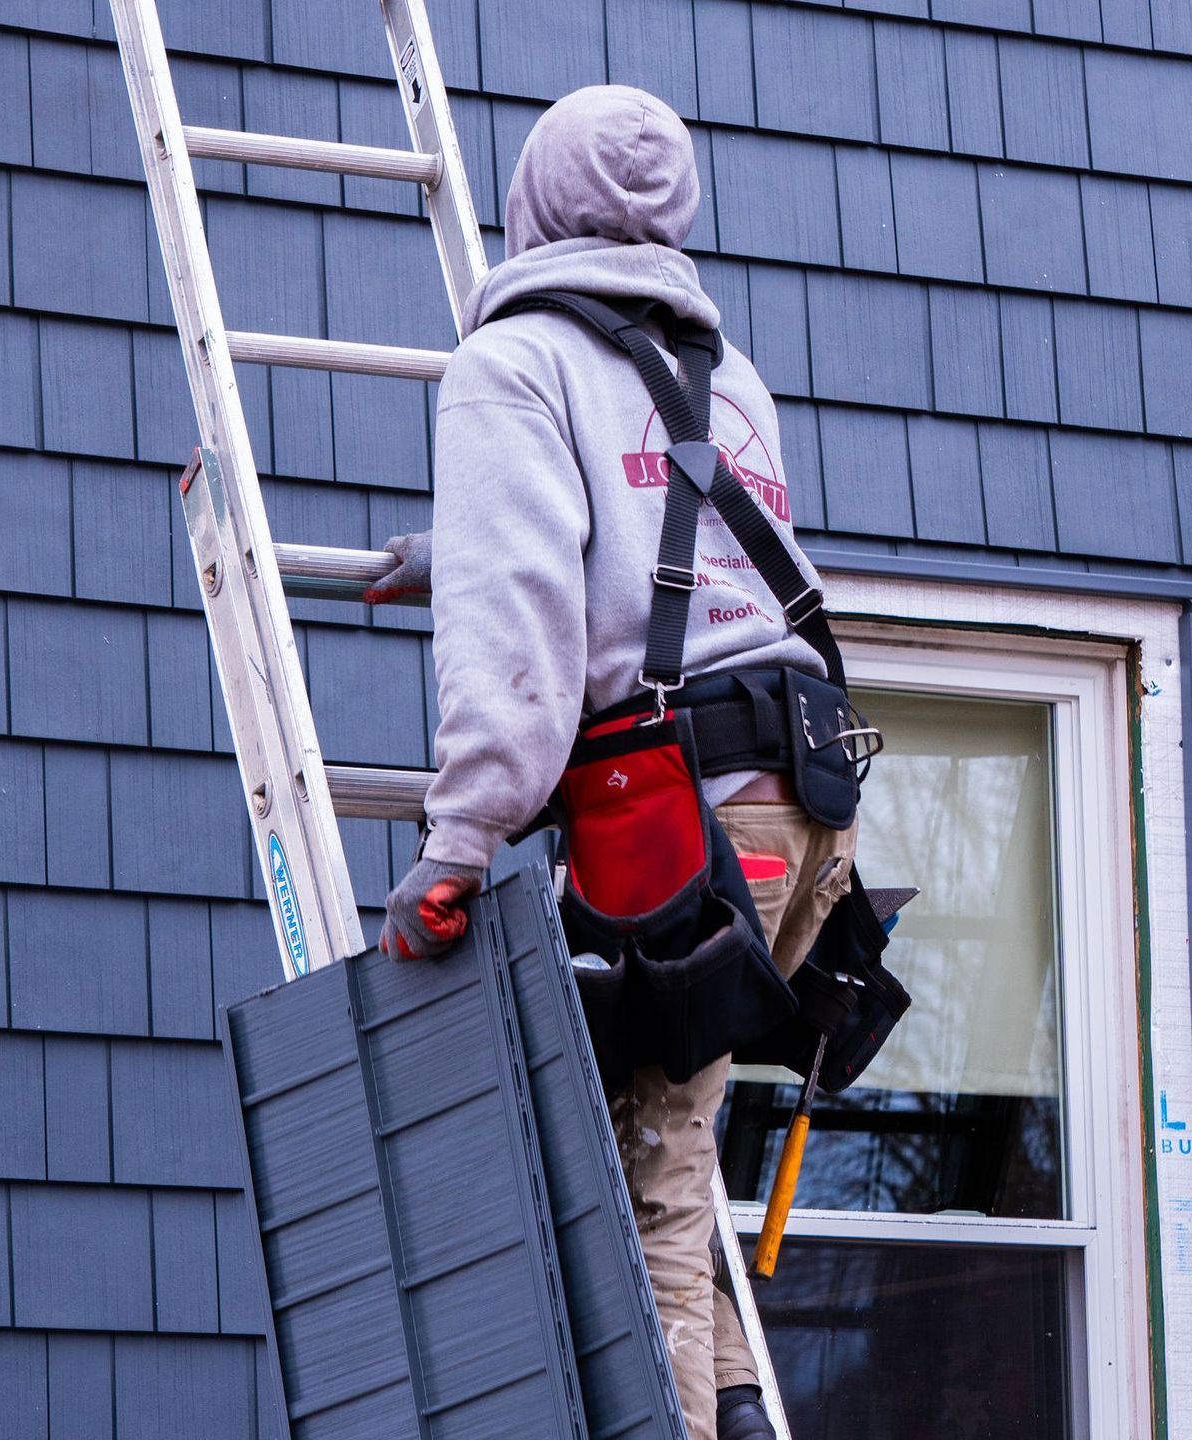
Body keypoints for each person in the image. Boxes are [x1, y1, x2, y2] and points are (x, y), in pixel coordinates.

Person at [369, 84, 856, 1440]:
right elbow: (670, 567)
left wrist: (457, 843)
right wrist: (451, 553)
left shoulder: (515, 366)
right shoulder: (722, 371)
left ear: (529, 200)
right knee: (676, 1140)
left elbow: (523, 632)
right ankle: (740, 1409)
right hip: (807, 804)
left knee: (643, 1165)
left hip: (684, 821)